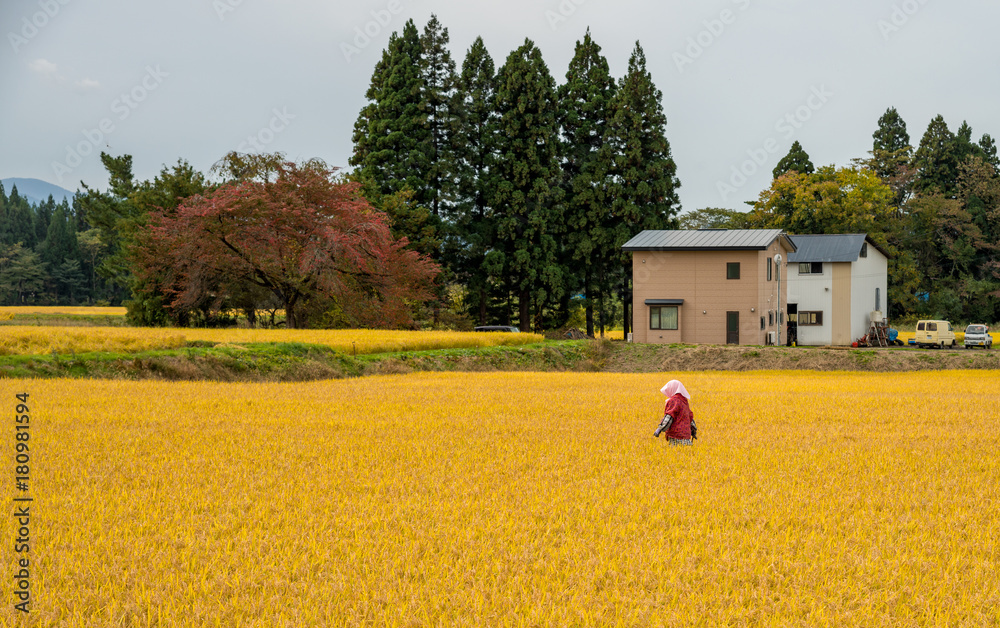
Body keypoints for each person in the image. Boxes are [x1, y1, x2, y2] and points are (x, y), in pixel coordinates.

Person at [654, 379, 694, 445]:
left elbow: (669, 416)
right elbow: (689, 417)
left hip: (676, 436)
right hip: (686, 438)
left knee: (676, 453)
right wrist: (693, 430)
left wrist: (659, 429)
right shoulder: (684, 401)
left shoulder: (674, 401)